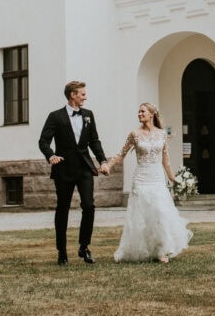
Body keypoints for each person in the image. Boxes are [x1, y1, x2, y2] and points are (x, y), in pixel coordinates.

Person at [101, 103, 192, 263]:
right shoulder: (134, 134)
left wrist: (173, 178)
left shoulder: (162, 134)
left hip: (157, 178)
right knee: (142, 215)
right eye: (138, 112)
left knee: (159, 213)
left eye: (142, 111)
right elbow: (121, 154)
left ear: (152, 114)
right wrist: (108, 165)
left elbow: (166, 159)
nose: (139, 114)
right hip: (141, 178)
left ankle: (162, 250)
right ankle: (142, 250)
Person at [38, 80, 110, 266]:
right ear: (73, 95)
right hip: (63, 169)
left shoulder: (88, 115)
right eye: (83, 94)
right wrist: (51, 155)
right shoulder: (55, 116)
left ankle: (84, 246)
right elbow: (43, 141)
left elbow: (94, 140)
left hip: (85, 168)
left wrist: (102, 160)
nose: (85, 97)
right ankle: (61, 251)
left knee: (89, 205)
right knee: (63, 209)